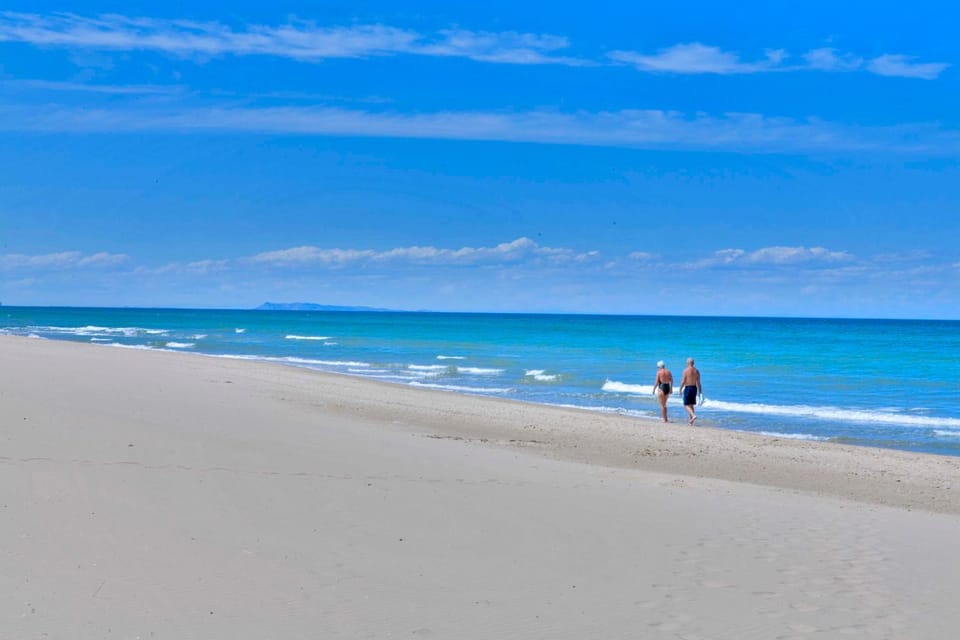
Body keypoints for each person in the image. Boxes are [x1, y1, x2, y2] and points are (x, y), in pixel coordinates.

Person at [679, 357, 703, 425]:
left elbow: (683, 381)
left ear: (688, 363)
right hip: (694, 388)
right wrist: (700, 391)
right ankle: (691, 421)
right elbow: (698, 382)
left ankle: (693, 416)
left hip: (688, 388)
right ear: (693, 363)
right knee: (691, 405)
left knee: (686, 404)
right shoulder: (697, 371)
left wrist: (680, 389)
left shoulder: (686, 370)